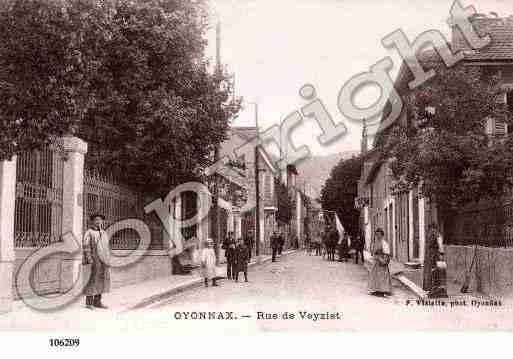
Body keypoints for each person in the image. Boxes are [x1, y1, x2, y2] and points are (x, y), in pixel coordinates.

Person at [83, 213, 111, 309]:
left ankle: (97, 301)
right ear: (93, 221)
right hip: (94, 260)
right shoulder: (89, 232)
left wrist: (107, 260)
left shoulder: (104, 233)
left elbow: (107, 247)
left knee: (101, 280)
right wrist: (90, 259)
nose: (98, 222)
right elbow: (86, 247)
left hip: (103, 260)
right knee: (92, 280)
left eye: (100, 220)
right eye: (96, 220)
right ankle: (89, 303)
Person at [368, 228, 393, 297]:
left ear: (382, 235)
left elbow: (387, 253)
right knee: (375, 275)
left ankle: (383, 290)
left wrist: (383, 259)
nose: (378, 236)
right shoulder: (375, 243)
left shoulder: (384, 243)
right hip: (376, 262)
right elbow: (373, 252)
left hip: (381, 261)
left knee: (382, 276)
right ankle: (376, 290)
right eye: (376, 235)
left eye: (379, 235)